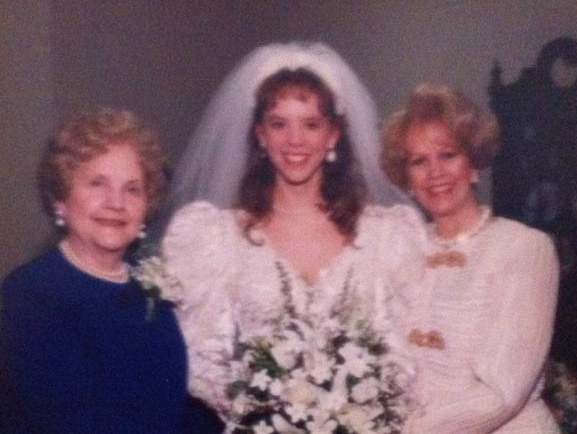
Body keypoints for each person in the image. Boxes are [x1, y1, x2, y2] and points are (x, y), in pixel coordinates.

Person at [161, 42, 420, 433]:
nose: (294, 140)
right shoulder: (219, 237)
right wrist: (266, 410)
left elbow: (410, 351)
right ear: (260, 135)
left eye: (311, 124)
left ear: (333, 135)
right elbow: (202, 359)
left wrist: (358, 413)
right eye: (279, 124)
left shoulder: (385, 235)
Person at [0, 108, 222, 433]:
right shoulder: (31, 295)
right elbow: (74, 421)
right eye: (97, 184)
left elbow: (179, 407)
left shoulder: (150, 282)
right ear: (61, 199)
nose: (116, 202)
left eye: (132, 189)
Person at [381, 84, 561, 433]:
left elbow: (503, 392)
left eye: (448, 155)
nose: (435, 172)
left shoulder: (524, 248)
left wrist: (407, 430)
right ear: (407, 180)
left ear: (474, 163)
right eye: (419, 161)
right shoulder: (400, 251)